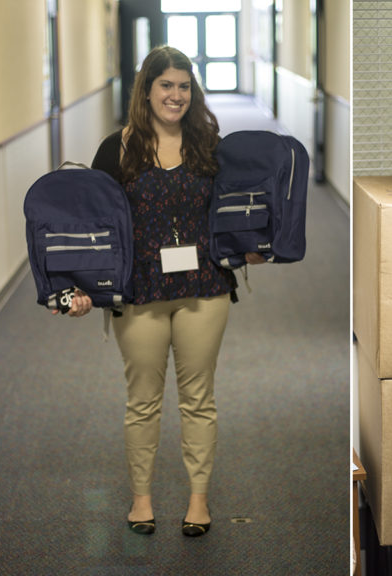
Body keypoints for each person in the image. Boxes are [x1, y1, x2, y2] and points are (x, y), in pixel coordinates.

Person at [70, 45, 263, 537]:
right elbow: (94, 229)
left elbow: (230, 214)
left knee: (199, 398)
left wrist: (251, 249)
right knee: (144, 400)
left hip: (204, 289)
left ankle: (198, 500)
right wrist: (81, 289)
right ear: (147, 89)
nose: (175, 95)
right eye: (166, 85)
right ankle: (142, 499)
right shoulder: (117, 149)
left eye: (183, 85)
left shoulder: (208, 144)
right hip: (139, 291)